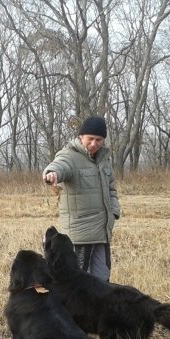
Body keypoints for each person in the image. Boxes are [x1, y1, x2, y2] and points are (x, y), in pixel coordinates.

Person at [42, 116, 120, 282]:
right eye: (90, 139)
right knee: (77, 282)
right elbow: (60, 165)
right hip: (79, 234)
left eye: (98, 140)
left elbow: (111, 189)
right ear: (80, 137)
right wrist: (52, 173)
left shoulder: (104, 160)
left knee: (103, 280)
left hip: (102, 231)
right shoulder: (69, 155)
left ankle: (100, 309)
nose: (94, 144)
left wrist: (114, 212)